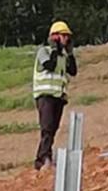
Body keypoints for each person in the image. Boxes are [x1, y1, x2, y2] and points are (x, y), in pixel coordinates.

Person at [33, 20, 78, 171]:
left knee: (52, 128)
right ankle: (43, 159)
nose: (67, 39)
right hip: (45, 95)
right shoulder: (43, 51)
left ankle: (44, 157)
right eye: (64, 36)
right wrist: (54, 49)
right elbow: (49, 65)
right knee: (47, 127)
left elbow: (73, 71)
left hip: (58, 97)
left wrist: (70, 54)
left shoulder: (63, 56)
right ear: (55, 37)